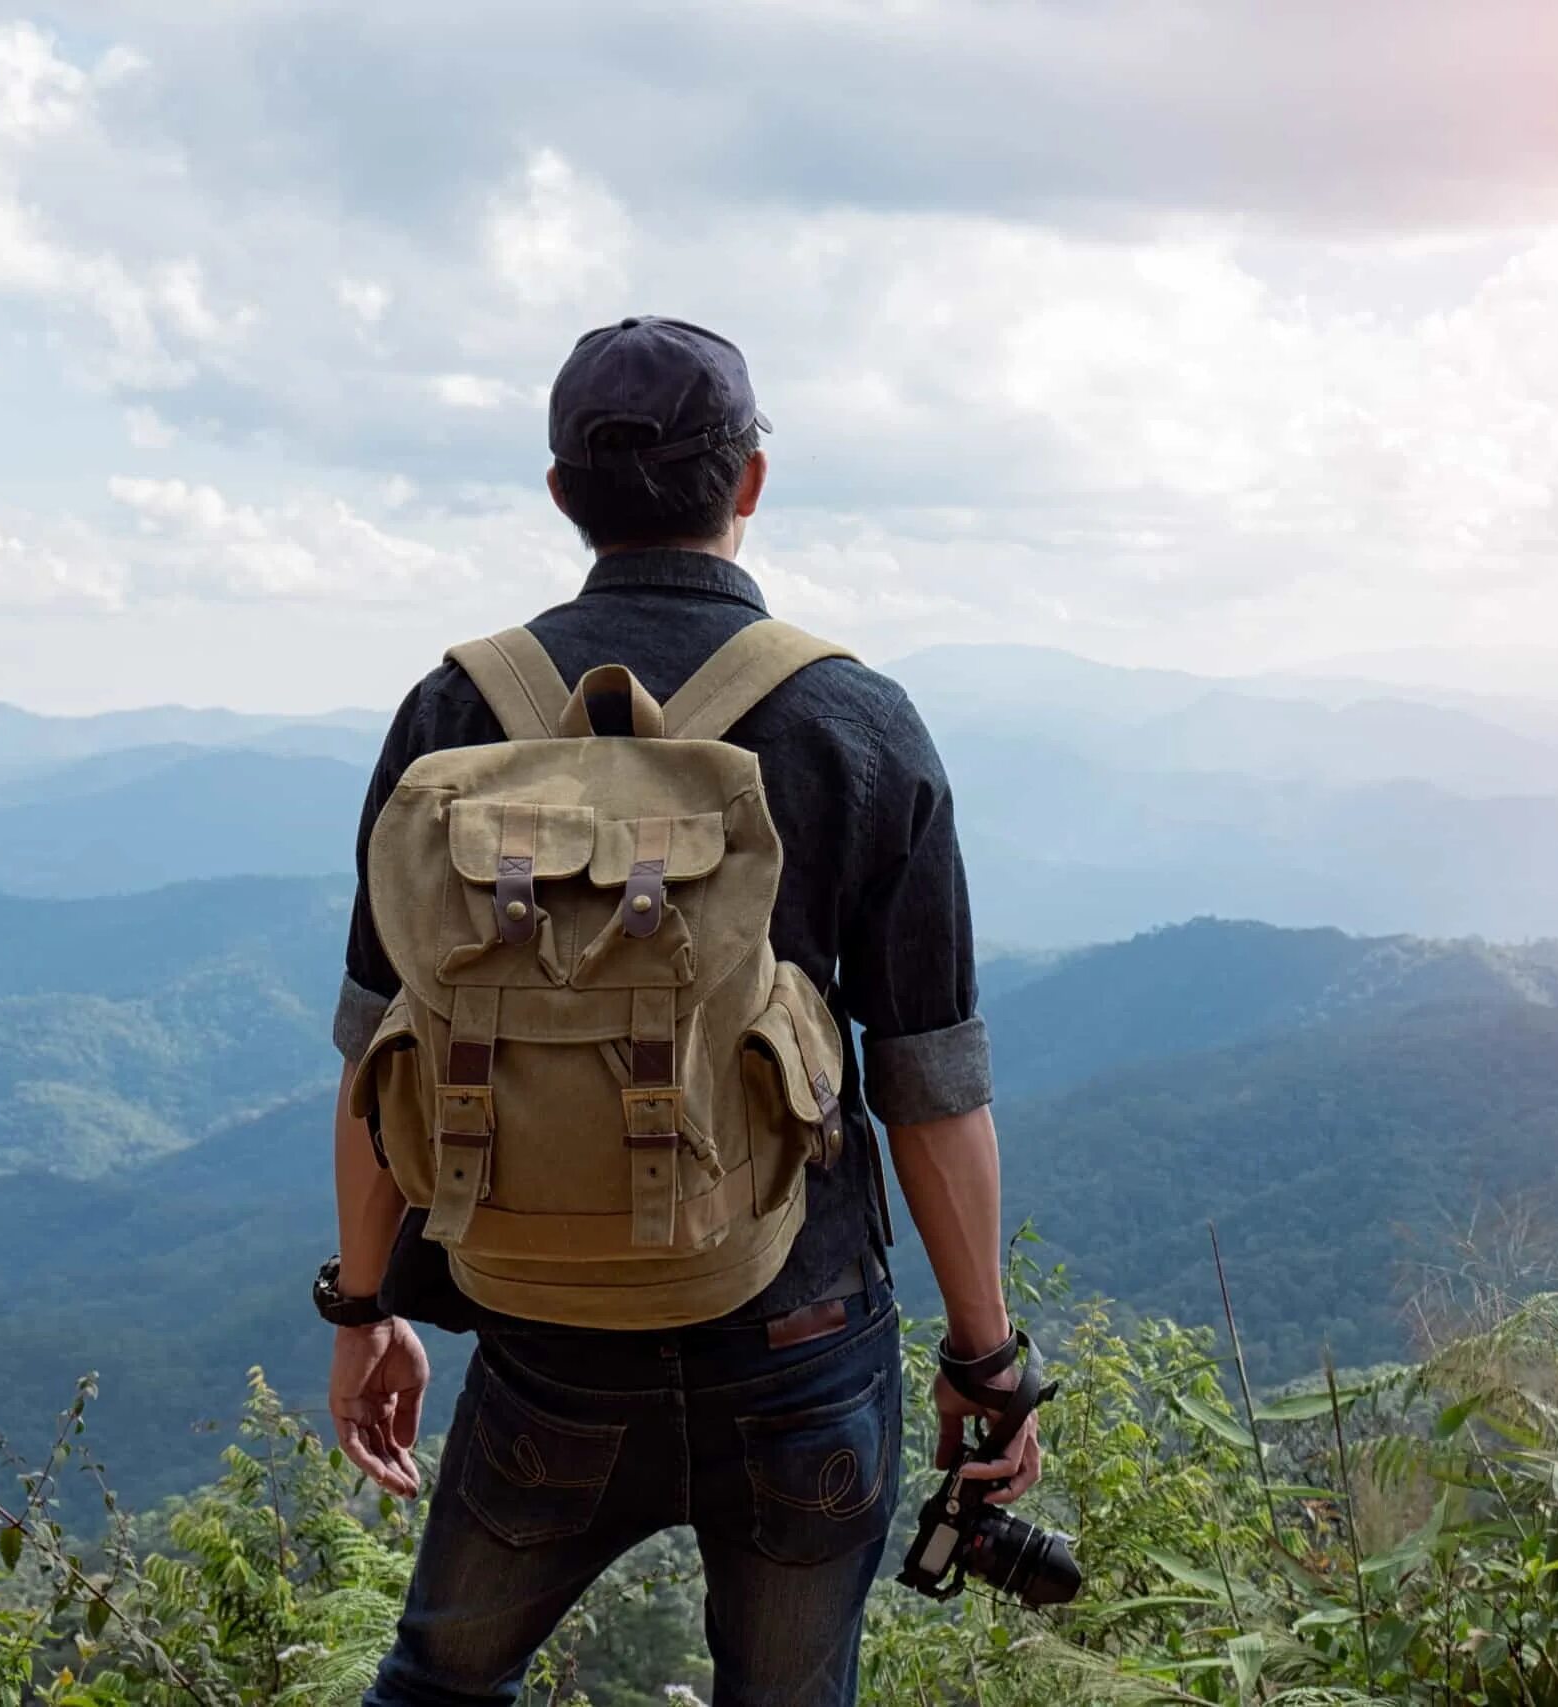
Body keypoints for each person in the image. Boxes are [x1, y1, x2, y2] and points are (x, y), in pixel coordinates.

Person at [317, 316, 1036, 1707]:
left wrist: (363, 1309)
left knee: (440, 1682)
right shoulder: (854, 722)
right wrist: (985, 1359)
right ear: (749, 481)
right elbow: (931, 1083)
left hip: (542, 1334)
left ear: (561, 496)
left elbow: (377, 1057)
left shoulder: (455, 712)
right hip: (800, 1332)